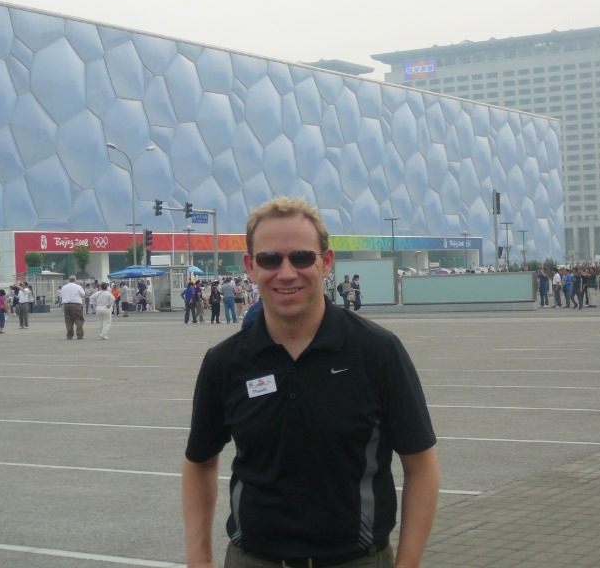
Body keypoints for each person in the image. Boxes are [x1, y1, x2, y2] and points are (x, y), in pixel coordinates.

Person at [182, 197, 439, 568]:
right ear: (251, 267)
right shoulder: (225, 362)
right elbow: (199, 462)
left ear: (326, 261)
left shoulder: (377, 351)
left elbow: (421, 465)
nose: (286, 273)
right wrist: (199, 559)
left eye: (301, 257)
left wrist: (407, 564)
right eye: (270, 259)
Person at [60, 275, 86, 340]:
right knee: (79, 320)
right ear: (75, 280)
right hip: (76, 305)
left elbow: (61, 295)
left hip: (66, 305)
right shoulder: (78, 287)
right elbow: (83, 294)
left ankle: (69, 335)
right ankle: (79, 335)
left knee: (68, 320)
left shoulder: (64, 287)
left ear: (69, 280)